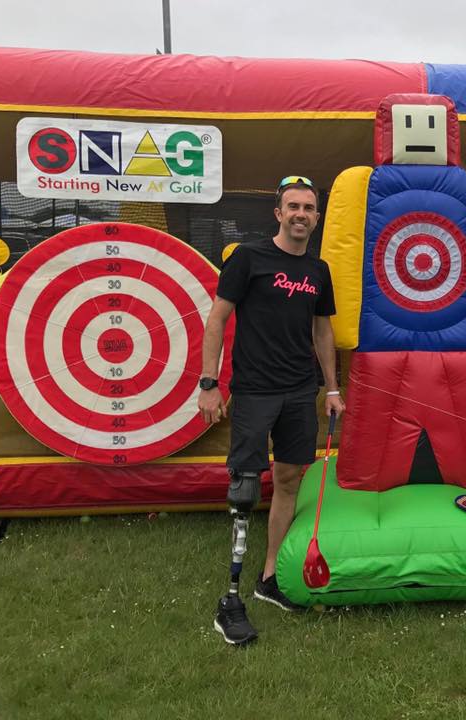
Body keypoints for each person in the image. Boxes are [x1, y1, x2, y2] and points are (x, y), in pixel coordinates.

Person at [199, 175, 346, 645]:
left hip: (300, 393)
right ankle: (231, 597)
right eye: (293, 206)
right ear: (278, 213)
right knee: (245, 487)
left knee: (288, 479)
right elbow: (217, 319)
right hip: (255, 391)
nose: (301, 214)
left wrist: (332, 388)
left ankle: (269, 579)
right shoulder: (249, 259)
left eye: (308, 207)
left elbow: (322, 332)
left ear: (316, 217)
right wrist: (209, 384)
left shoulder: (319, 271)